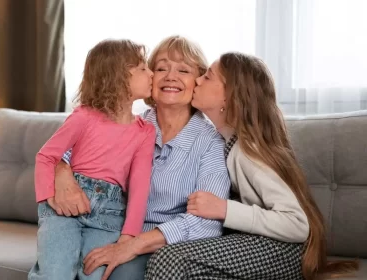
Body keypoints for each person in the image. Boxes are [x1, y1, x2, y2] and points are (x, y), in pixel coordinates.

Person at [145, 52, 359, 280]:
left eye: (207, 77)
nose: (197, 80)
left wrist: (224, 209)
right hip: (255, 241)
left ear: (228, 96)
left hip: (283, 250)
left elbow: (297, 224)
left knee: (168, 259)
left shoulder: (247, 151)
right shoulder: (222, 140)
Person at [51, 36, 231, 280]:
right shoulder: (128, 123)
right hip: (108, 226)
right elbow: (66, 153)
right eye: (160, 68)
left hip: (164, 245)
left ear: (198, 81)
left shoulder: (210, 143)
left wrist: (134, 245)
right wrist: (62, 172)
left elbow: (206, 223)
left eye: (183, 70)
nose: (170, 76)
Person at [28, 39, 156, 280]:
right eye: (142, 68)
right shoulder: (83, 117)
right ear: (118, 76)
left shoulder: (145, 131)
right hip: (63, 211)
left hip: (109, 215)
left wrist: (128, 237)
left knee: (94, 275)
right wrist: (49, 198)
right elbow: (46, 156)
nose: (151, 74)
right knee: (55, 274)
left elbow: (139, 188)